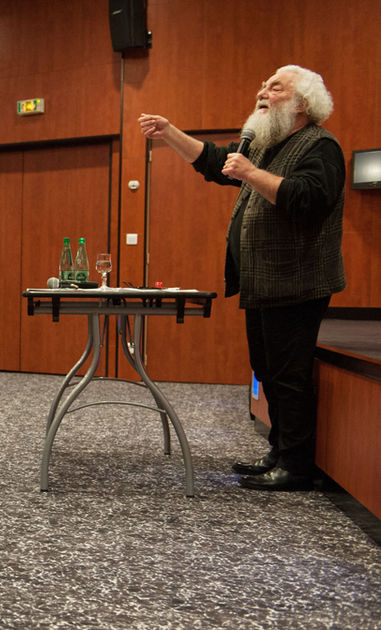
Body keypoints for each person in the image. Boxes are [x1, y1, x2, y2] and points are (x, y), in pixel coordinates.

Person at [138, 65, 345, 491]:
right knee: (267, 371)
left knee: (289, 376)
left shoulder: (320, 146)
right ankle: (279, 450)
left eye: (275, 87)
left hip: (297, 282)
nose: (262, 91)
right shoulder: (269, 145)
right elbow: (214, 161)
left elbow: (308, 199)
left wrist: (249, 173)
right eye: (263, 85)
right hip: (263, 282)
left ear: (303, 104)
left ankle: (297, 466)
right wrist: (169, 131)